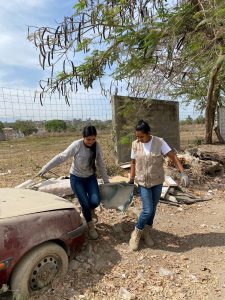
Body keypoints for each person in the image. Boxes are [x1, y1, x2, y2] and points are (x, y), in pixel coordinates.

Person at [37, 125, 109, 240]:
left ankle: (88, 211)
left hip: (90, 177)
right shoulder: (77, 145)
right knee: (84, 203)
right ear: (83, 137)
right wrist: (46, 168)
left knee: (95, 201)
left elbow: (101, 163)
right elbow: (61, 157)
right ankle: (90, 226)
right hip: (77, 178)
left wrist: (106, 181)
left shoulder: (96, 146)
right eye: (88, 139)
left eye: (93, 139)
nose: (91, 142)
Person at [128, 120, 189, 251]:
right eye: (137, 136)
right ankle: (136, 233)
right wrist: (131, 179)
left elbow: (173, 157)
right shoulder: (135, 144)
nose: (139, 139)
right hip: (143, 182)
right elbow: (132, 162)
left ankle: (147, 231)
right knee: (147, 209)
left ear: (148, 133)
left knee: (153, 208)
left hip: (157, 182)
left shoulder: (159, 142)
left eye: (141, 136)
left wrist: (183, 173)